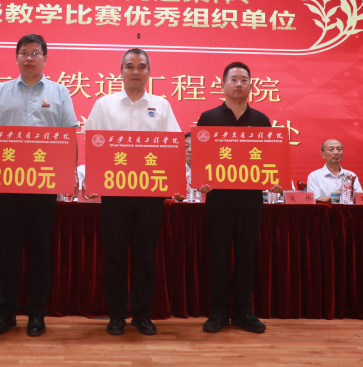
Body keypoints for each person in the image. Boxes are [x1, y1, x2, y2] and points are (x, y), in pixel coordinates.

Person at [0, 34, 78, 338]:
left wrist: (70, 175)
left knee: (40, 250)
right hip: (7, 183)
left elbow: (69, 136)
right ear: (17, 58)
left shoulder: (60, 92)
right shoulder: (0, 91)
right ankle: (6, 312)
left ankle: (37, 312)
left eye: (35, 53)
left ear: (45, 58)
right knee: (9, 249)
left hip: (44, 184)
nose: (29, 58)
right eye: (24, 53)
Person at [84, 48, 181, 336]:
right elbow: (93, 144)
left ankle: (141, 314)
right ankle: (116, 314)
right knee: (114, 256)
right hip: (115, 193)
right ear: (121, 71)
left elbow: (173, 146)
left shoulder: (162, 105)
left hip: (150, 194)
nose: (135, 71)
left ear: (149, 71)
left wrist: (177, 182)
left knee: (145, 256)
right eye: (129, 66)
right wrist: (90, 181)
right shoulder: (104, 104)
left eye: (141, 66)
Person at [196, 62, 281, 334]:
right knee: (218, 258)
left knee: (246, 259)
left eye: (244, 79)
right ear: (223, 85)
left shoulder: (261, 120)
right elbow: (200, 159)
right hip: (218, 201)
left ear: (251, 85)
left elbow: (269, 159)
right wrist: (201, 181)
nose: (239, 84)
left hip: (251, 201)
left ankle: (244, 312)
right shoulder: (208, 118)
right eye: (233, 79)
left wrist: (275, 179)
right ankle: (219, 312)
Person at [174, 132, 200, 203]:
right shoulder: (174, 171)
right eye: (186, 146)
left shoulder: (207, 170)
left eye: (194, 146)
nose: (190, 150)